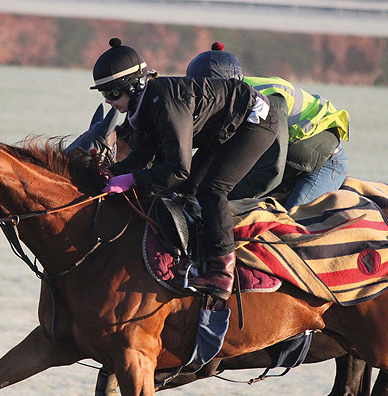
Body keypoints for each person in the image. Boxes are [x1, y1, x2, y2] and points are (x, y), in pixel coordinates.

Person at [93, 38, 280, 301]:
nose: (108, 100)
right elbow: (141, 155)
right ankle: (196, 254)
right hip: (223, 125)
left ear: (133, 87)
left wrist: (132, 179)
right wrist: (113, 172)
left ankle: (221, 273)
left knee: (213, 190)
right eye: (103, 94)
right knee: (189, 190)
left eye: (112, 94)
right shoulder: (144, 105)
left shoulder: (167, 104)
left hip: (255, 121)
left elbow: (177, 170)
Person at [186, 42, 350, 209]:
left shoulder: (265, 102)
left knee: (291, 223)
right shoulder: (233, 99)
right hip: (292, 164)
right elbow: (212, 152)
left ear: (228, 87)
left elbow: (271, 171)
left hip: (323, 165)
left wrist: (220, 196)